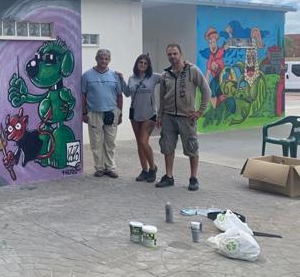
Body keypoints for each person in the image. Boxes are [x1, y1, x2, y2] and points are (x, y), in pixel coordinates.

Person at [155, 44, 211, 191]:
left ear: (181, 54)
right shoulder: (165, 74)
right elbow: (161, 96)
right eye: (169, 54)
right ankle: (168, 176)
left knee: (192, 147)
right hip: (168, 117)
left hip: (187, 117)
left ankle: (193, 178)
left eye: (175, 53)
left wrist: (200, 111)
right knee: (167, 147)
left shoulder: (192, 70)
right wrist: (160, 115)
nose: (172, 56)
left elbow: (206, 90)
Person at [118, 54, 161, 183]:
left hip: (149, 114)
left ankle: (153, 168)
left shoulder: (154, 77)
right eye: (140, 62)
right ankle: (144, 170)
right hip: (135, 114)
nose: (142, 65)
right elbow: (126, 93)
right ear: (137, 64)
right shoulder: (132, 78)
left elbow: (168, 77)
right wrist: (121, 80)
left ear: (148, 66)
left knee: (143, 141)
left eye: (145, 63)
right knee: (139, 143)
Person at [82, 49, 123, 178]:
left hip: (111, 112)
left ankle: (109, 167)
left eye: (106, 58)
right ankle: (99, 168)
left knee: (110, 142)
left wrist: (120, 113)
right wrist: (84, 112)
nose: (103, 61)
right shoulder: (87, 75)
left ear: (109, 60)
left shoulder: (114, 76)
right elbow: (83, 94)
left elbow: (119, 95)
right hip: (94, 113)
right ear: (96, 59)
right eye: (101, 58)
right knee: (96, 141)